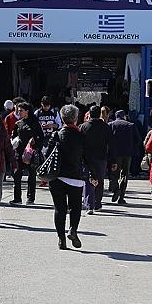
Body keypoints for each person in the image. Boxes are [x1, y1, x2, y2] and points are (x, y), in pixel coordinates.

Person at [49, 105, 96, 250]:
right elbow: (88, 157)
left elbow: (47, 154)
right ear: (76, 119)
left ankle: (61, 239)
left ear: (62, 118)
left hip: (57, 177)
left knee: (59, 209)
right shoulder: (82, 136)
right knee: (75, 208)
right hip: (76, 177)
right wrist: (93, 174)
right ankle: (73, 229)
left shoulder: (56, 135)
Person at [80, 105, 113, 214]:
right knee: (99, 179)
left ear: (89, 113)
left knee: (87, 179)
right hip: (101, 157)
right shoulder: (106, 127)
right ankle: (97, 203)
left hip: (87, 157)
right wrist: (113, 160)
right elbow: (111, 144)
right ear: (99, 114)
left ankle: (89, 204)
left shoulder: (83, 127)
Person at [11, 102, 44, 205]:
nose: (19, 112)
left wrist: (35, 142)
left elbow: (41, 137)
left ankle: (30, 198)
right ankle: (17, 198)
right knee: (17, 175)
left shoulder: (35, 123)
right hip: (19, 152)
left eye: (21, 110)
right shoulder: (18, 123)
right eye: (18, 110)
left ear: (27, 111)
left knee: (32, 175)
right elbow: (14, 137)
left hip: (31, 153)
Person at [108, 110, 141, 205]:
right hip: (127, 154)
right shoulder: (131, 125)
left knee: (114, 173)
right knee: (125, 174)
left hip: (115, 154)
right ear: (124, 116)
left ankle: (116, 189)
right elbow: (138, 140)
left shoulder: (111, 125)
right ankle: (121, 197)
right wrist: (132, 148)